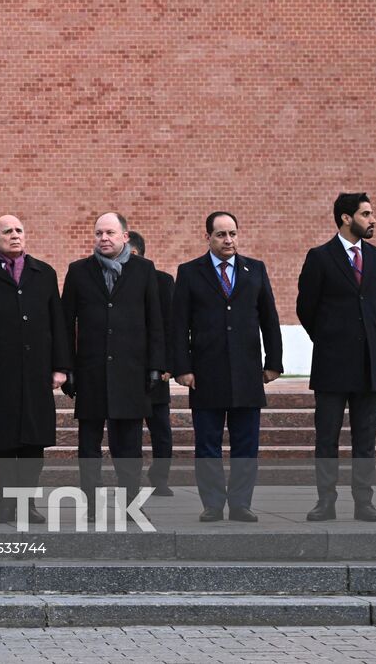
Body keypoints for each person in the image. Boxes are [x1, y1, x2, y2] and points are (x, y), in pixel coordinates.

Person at [173, 212, 283, 522]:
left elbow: (269, 319)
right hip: (206, 373)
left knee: (246, 444)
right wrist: (183, 367)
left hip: (248, 373)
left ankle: (240, 504)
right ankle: (212, 504)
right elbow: (179, 325)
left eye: (232, 233)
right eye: (221, 234)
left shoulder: (255, 270)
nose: (228, 240)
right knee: (207, 444)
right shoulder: (190, 272)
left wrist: (273, 362)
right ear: (207, 237)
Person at [0, 215, 70, 525]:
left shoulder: (44, 273)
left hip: (37, 371)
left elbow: (57, 323)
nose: (15, 236)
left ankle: (28, 503)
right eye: (7, 231)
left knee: (33, 441)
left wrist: (60, 366)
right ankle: (7, 503)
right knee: (4, 441)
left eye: (19, 230)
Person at [61, 213, 166, 515]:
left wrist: (156, 366)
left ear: (125, 236)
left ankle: (131, 504)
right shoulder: (79, 271)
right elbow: (66, 324)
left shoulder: (144, 270)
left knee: (128, 447)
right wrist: (68, 368)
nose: (103, 238)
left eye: (109, 233)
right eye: (98, 233)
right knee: (88, 446)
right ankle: (91, 505)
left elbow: (154, 321)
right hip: (90, 372)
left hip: (131, 373)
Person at [297, 193, 376, 522]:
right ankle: (326, 501)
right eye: (366, 214)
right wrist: (328, 339)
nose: (372, 219)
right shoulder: (320, 257)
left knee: (365, 440)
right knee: (327, 438)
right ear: (346, 218)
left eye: (371, 213)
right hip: (332, 364)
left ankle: (364, 502)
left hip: (370, 364)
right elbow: (305, 308)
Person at [128, 231, 177, 496]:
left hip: (156, 368)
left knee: (161, 428)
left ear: (135, 253)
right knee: (131, 429)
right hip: (129, 369)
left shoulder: (162, 281)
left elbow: (171, 325)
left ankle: (160, 478)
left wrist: (168, 364)